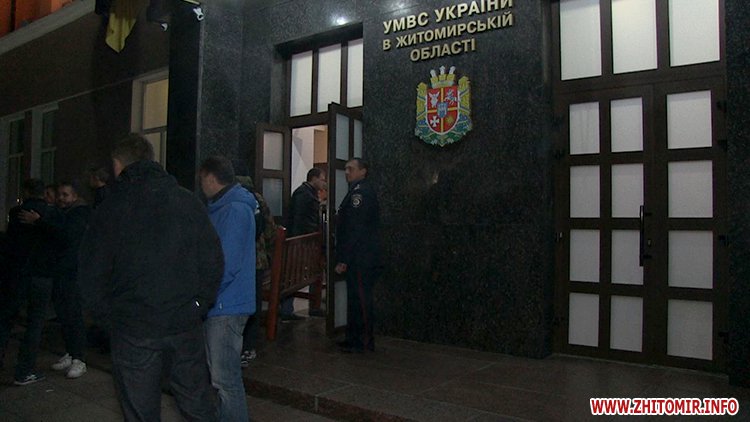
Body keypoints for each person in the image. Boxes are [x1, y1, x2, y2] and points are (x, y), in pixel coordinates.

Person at [79, 134, 223, 421]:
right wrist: (198, 304)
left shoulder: (110, 208)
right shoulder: (187, 201)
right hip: (183, 323)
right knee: (198, 405)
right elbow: (212, 260)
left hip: (134, 328)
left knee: (140, 411)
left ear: (118, 164)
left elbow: (91, 272)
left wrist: (109, 318)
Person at [199, 156, 256, 422]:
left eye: (202, 179)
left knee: (225, 381)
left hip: (225, 304)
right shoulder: (224, 207)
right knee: (220, 379)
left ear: (211, 178)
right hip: (222, 302)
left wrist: (205, 294)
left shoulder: (234, 209)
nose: (201, 186)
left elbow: (226, 263)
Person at [0, 179, 60, 385]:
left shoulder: (17, 212)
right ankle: (24, 370)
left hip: (17, 273)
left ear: (26, 192)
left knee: (6, 319)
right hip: (41, 274)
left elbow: (10, 244)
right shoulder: (51, 214)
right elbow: (60, 237)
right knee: (35, 324)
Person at [334, 158, 381, 354]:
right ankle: (353, 338)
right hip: (359, 255)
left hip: (361, 257)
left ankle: (364, 340)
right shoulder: (356, 190)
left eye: (351, 169)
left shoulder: (361, 193)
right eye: (346, 169)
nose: (347, 172)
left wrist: (344, 259)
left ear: (363, 171)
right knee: (354, 299)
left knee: (361, 299)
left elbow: (355, 229)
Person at [46, 181, 91, 379]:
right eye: (60, 195)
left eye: (65, 195)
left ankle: (79, 357)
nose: (61, 199)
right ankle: (72, 353)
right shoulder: (66, 214)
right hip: (63, 271)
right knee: (64, 314)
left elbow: (66, 237)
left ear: (75, 196)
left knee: (73, 315)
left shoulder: (79, 215)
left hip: (73, 272)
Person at [236, 176, 277, 367]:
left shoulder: (226, 195)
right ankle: (249, 346)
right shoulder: (257, 198)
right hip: (256, 260)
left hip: (234, 259)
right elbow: (270, 230)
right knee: (253, 303)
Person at [281, 167, 327, 321]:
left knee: (296, 276)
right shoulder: (304, 194)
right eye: (322, 179)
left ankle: (301, 308)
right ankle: (287, 310)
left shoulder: (306, 193)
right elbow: (300, 220)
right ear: (313, 178)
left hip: (303, 242)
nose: (324, 183)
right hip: (301, 243)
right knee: (293, 277)